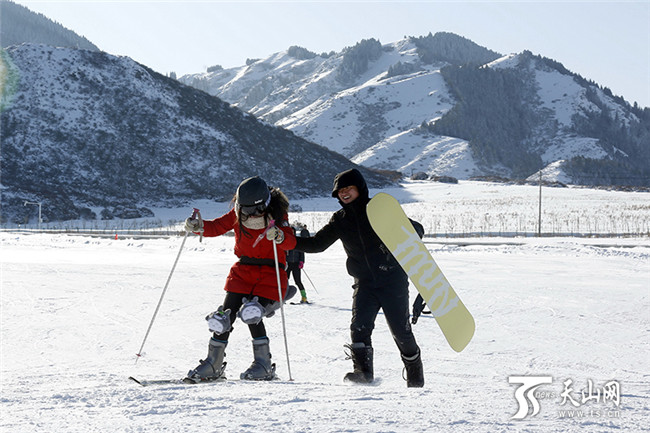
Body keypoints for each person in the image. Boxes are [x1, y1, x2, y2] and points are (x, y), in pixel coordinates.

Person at [294, 168, 425, 387]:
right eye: (340, 191)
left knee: (401, 332)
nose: (344, 193)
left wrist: (409, 232)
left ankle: (415, 376)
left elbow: (417, 229)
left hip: (392, 281)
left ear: (360, 188)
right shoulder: (340, 219)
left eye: (349, 188)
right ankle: (363, 374)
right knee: (359, 328)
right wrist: (287, 241)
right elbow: (317, 244)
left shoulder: (379, 210)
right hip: (364, 283)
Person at [183, 176, 296, 383]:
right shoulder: (237, 215)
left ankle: (263, 364)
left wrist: (279, 236)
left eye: (255, 210)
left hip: (271, 273)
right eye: (245, 210)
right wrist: (198, 226)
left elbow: (290, 241)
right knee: (223, 318)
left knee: (252, 313)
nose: (250, 215)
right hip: (242, 272)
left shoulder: (278, 216)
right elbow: (217, 227)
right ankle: (213, 363)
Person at [286, 224, 310, 303]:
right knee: (285, 281)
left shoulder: (297, 241)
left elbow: (301, 252)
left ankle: (304, 297)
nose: (292, 233)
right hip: (287, 264)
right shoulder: (285, 241)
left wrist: (301, 261)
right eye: (290, 232)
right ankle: (282, 297)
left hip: (296, 264)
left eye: (293, 232)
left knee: (298, 281)